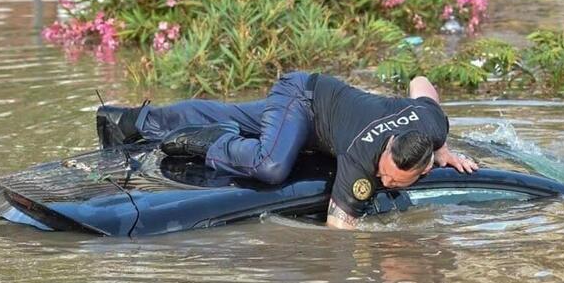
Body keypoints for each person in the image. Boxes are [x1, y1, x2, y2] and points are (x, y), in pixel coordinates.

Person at [96, 72, 478, 229]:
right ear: (387, 148)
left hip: (319, 117)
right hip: (302, 96)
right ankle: (212, 142)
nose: (380, 180)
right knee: (271, 165)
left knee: (229, 115)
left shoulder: (431, 124)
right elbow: (339, 230)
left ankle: (127, 122)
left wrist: (441, 147)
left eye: (393, 182)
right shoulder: (361, 160)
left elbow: (421, 82)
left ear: (423, 167)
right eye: (383, 173)